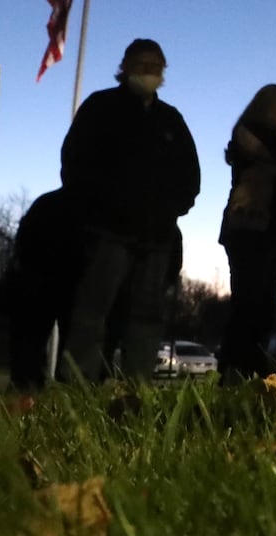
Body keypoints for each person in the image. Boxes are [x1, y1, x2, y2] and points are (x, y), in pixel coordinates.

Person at [59, 38, 200, 383]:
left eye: (156, 66)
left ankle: (137, 388)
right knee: (93, 311)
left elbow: (190, 175)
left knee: (148, 315)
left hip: (156, 236)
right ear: (125, 68)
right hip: (106, 232)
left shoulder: (170, 119)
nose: (149, 72)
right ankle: (79, 386)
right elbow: (75, 163)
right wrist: (96, 209)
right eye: (142, 65)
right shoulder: (100, 107)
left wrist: (172, 209)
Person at [218, 84, 276, 380]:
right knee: (249, 303)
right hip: (250, 228)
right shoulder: (249, 133)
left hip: (272, 230)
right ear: (270, 108)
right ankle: (236, 368)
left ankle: (251, 368)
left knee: (266, 305)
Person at [0, 188, 83, 391]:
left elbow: (23, 240)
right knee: (62, 340)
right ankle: (55, 385)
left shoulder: (46, 204)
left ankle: (26, 384)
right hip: (60, 281)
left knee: (31, 340)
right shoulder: (86, 208)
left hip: (40, 280)